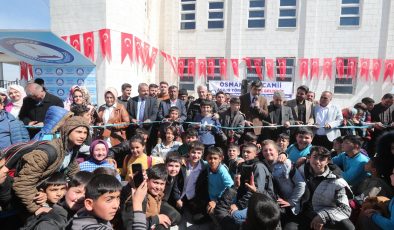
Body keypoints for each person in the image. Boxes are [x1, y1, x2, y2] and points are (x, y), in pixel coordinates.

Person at [13, 116, 90, 215]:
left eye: (85, 133)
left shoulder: (72, 149)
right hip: (31, 198)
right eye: (78, 132)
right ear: (67, 131)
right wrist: (37, 209)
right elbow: (22, 183)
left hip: (48, 192)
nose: (82, 136)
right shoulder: (47, 153)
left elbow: (74, 173)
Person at [287, 146, 354, 230]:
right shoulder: (301, 170)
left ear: (328, 161)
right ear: (309, 158)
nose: (317, 161)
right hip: (303, 212)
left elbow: (345, 209)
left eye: (322, 159)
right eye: (314, 157)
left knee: (348, 227)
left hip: (326, 213)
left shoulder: (336, 181)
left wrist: (323, 216)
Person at [222, 143, 275, 229]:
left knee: (235, 215)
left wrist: (238, 206)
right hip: (248, 200)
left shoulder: (258, 166)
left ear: (255, 154)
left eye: (248, 152)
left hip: (263, 201)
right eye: (243, 152)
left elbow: (256, 191)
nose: (245, 154)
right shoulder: (243, 165)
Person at [261, 140, 306, 228]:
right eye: (265, 150)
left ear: (277, 151)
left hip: (291, 207)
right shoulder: (263, 165)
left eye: (270, 150)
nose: (268, 152)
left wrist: (291, 201)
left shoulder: (285, 163)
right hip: (275, 206)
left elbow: (301, 184)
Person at [206, 147, 234, 218]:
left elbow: (230, 187)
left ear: (220, 159)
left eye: (215, 158)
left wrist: (216, 201)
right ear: (206, 158)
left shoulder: (222, 170)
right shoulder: (208, 166)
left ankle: (218, 225)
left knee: (211, 210)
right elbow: (199, 162)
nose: (212, 161)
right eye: (210, 158)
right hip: (212, 197)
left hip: (222, 199)